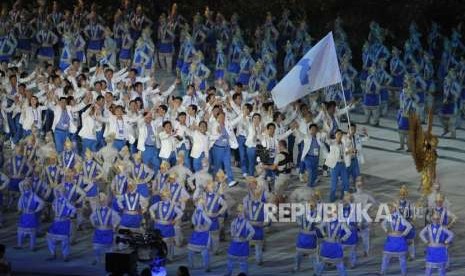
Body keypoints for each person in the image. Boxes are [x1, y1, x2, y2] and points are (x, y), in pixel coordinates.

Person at [149, 188, 183, 261]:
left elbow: (180, 213)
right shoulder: (158, 204)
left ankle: (169, 257)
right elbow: (151, 208)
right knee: (158, 243)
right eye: (162, 196)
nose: (163, 197)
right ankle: (159, 256)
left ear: (169, 196)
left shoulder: (173, 205)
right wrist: (153, 217)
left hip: (168, 226)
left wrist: (174, 220)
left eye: (165, 196)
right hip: (159, 226)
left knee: (169, 244)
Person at [380, 202, 412, 276]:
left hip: (399, 240)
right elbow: (382, 223)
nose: (390, 209)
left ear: (396, 208)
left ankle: (404, 273)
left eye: (392, 207)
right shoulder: (389, 216)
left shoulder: (401, 217)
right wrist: (386, 230)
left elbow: (409, 226)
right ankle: (382, 272)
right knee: (385, 256)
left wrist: (403, 234)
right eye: (390, 207)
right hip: (391, 239)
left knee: (402, 258)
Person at [315, 210, 351, 276]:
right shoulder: (340, 222)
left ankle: (317, 274)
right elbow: (349, 233)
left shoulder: (328, 221)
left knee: (324, 262)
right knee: (339, 264)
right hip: (334, 246)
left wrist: (324, 235)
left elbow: (319, 227)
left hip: (328, 246)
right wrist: (342, 239)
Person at [47, 186, 77, 262]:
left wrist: (68, 214)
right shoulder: (55, 200)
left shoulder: (66, 201)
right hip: (56, 221)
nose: (58, 193)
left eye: (59, 192)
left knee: (64, 240)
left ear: (63, 192)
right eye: (58, 192)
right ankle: (52, 253)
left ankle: (65, 255)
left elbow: (74, 209)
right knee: (50, 238)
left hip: (64, 222)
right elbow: (53, 206)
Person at [90, 193, 121, 265]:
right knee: (96, 247)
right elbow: (91, 217)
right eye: (101, 201)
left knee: (109, 248)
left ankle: (109, 261)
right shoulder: (97, 211)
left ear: (106, 202)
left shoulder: (111, 211)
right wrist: (94, 224)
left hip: (108, 231)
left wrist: (114, 226)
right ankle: (96, 259)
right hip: (98, 231)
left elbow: (118, 219)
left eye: (103, 201)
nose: (102, 202)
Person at [419, 211, 454, 276]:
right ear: (431, 219)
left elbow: (451, 234)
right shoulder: (428, 227)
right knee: (428, 269)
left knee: (441, 269)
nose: (435, 220)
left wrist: (445, 242)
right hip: (431, 250)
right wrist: (426, 241)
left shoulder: (442, 227)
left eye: (437, 219)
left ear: (439, 219)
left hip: (440, 250)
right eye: (434, 219)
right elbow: (421, 234)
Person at [225, 204, 255, 276]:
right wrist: (232, 234)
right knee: (230, 259)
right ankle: (228, 273)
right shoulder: (234, 221)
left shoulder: (246, 222)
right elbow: (232, 228)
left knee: (243, 261)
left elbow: (252, 231)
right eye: (238, 212)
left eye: (241, 212)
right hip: (235, 243)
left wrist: (247, 239)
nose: (239, 213)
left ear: (244, 213)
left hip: (242, 244)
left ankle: (244, 273)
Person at [15, 179, 44, 251]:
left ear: (30, 186)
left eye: (27, 186)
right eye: (24, 186)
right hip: (24, 215)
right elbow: (19, 203)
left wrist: (36, 210)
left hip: (31, 215)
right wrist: (19, 209)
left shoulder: (33, 195)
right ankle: (19, 245)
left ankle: (32, 247)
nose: (25, 187)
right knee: (20, 231)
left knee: (32, 233)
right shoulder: (23, 195)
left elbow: (42, 202)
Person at [293, 199, 322, 273]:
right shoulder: (317, 215)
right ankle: (316, 271)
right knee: (315, 256)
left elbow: (298, 223)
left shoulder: (301, 214)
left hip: (301, 241)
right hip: (311, 241)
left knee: (298, 255)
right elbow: (320, 226)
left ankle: (296, 268)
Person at [325, 129, 351, 202]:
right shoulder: (332, 142)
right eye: (338, 134)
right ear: (335, 135)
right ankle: (332, 198)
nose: (339, 135)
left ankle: (343, 197)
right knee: (334, 183)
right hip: (334, 165)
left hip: (342, 164)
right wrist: (327, 132)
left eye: (341, 134)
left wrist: (350, 151)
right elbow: (327, 140)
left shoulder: (343, 143)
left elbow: (345, 151)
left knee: (346, 181)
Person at [187, 197, 212, 272]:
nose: (197, 204)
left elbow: (209, 222)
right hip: (196, 233)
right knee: (191, 250)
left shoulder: (203, 212)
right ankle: (191, 265)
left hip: (203, 234)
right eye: (197, 203)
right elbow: (193, 220)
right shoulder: (196, 211)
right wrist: (195, 225)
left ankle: (206, 266)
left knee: (204, 251)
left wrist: (204, 227)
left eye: (198, 203)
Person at [301, 124, 327, 188]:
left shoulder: (319, 137)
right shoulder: (307, 137)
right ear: (309, 130)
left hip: (316, 157)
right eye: (312, 129)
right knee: (311, 171)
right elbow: (300, 134)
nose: (313, 131)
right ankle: (309, 186)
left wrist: (321, 131)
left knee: (315, 172)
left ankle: (311, 184)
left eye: (315, 130)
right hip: (308, 157)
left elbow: (325, 136)